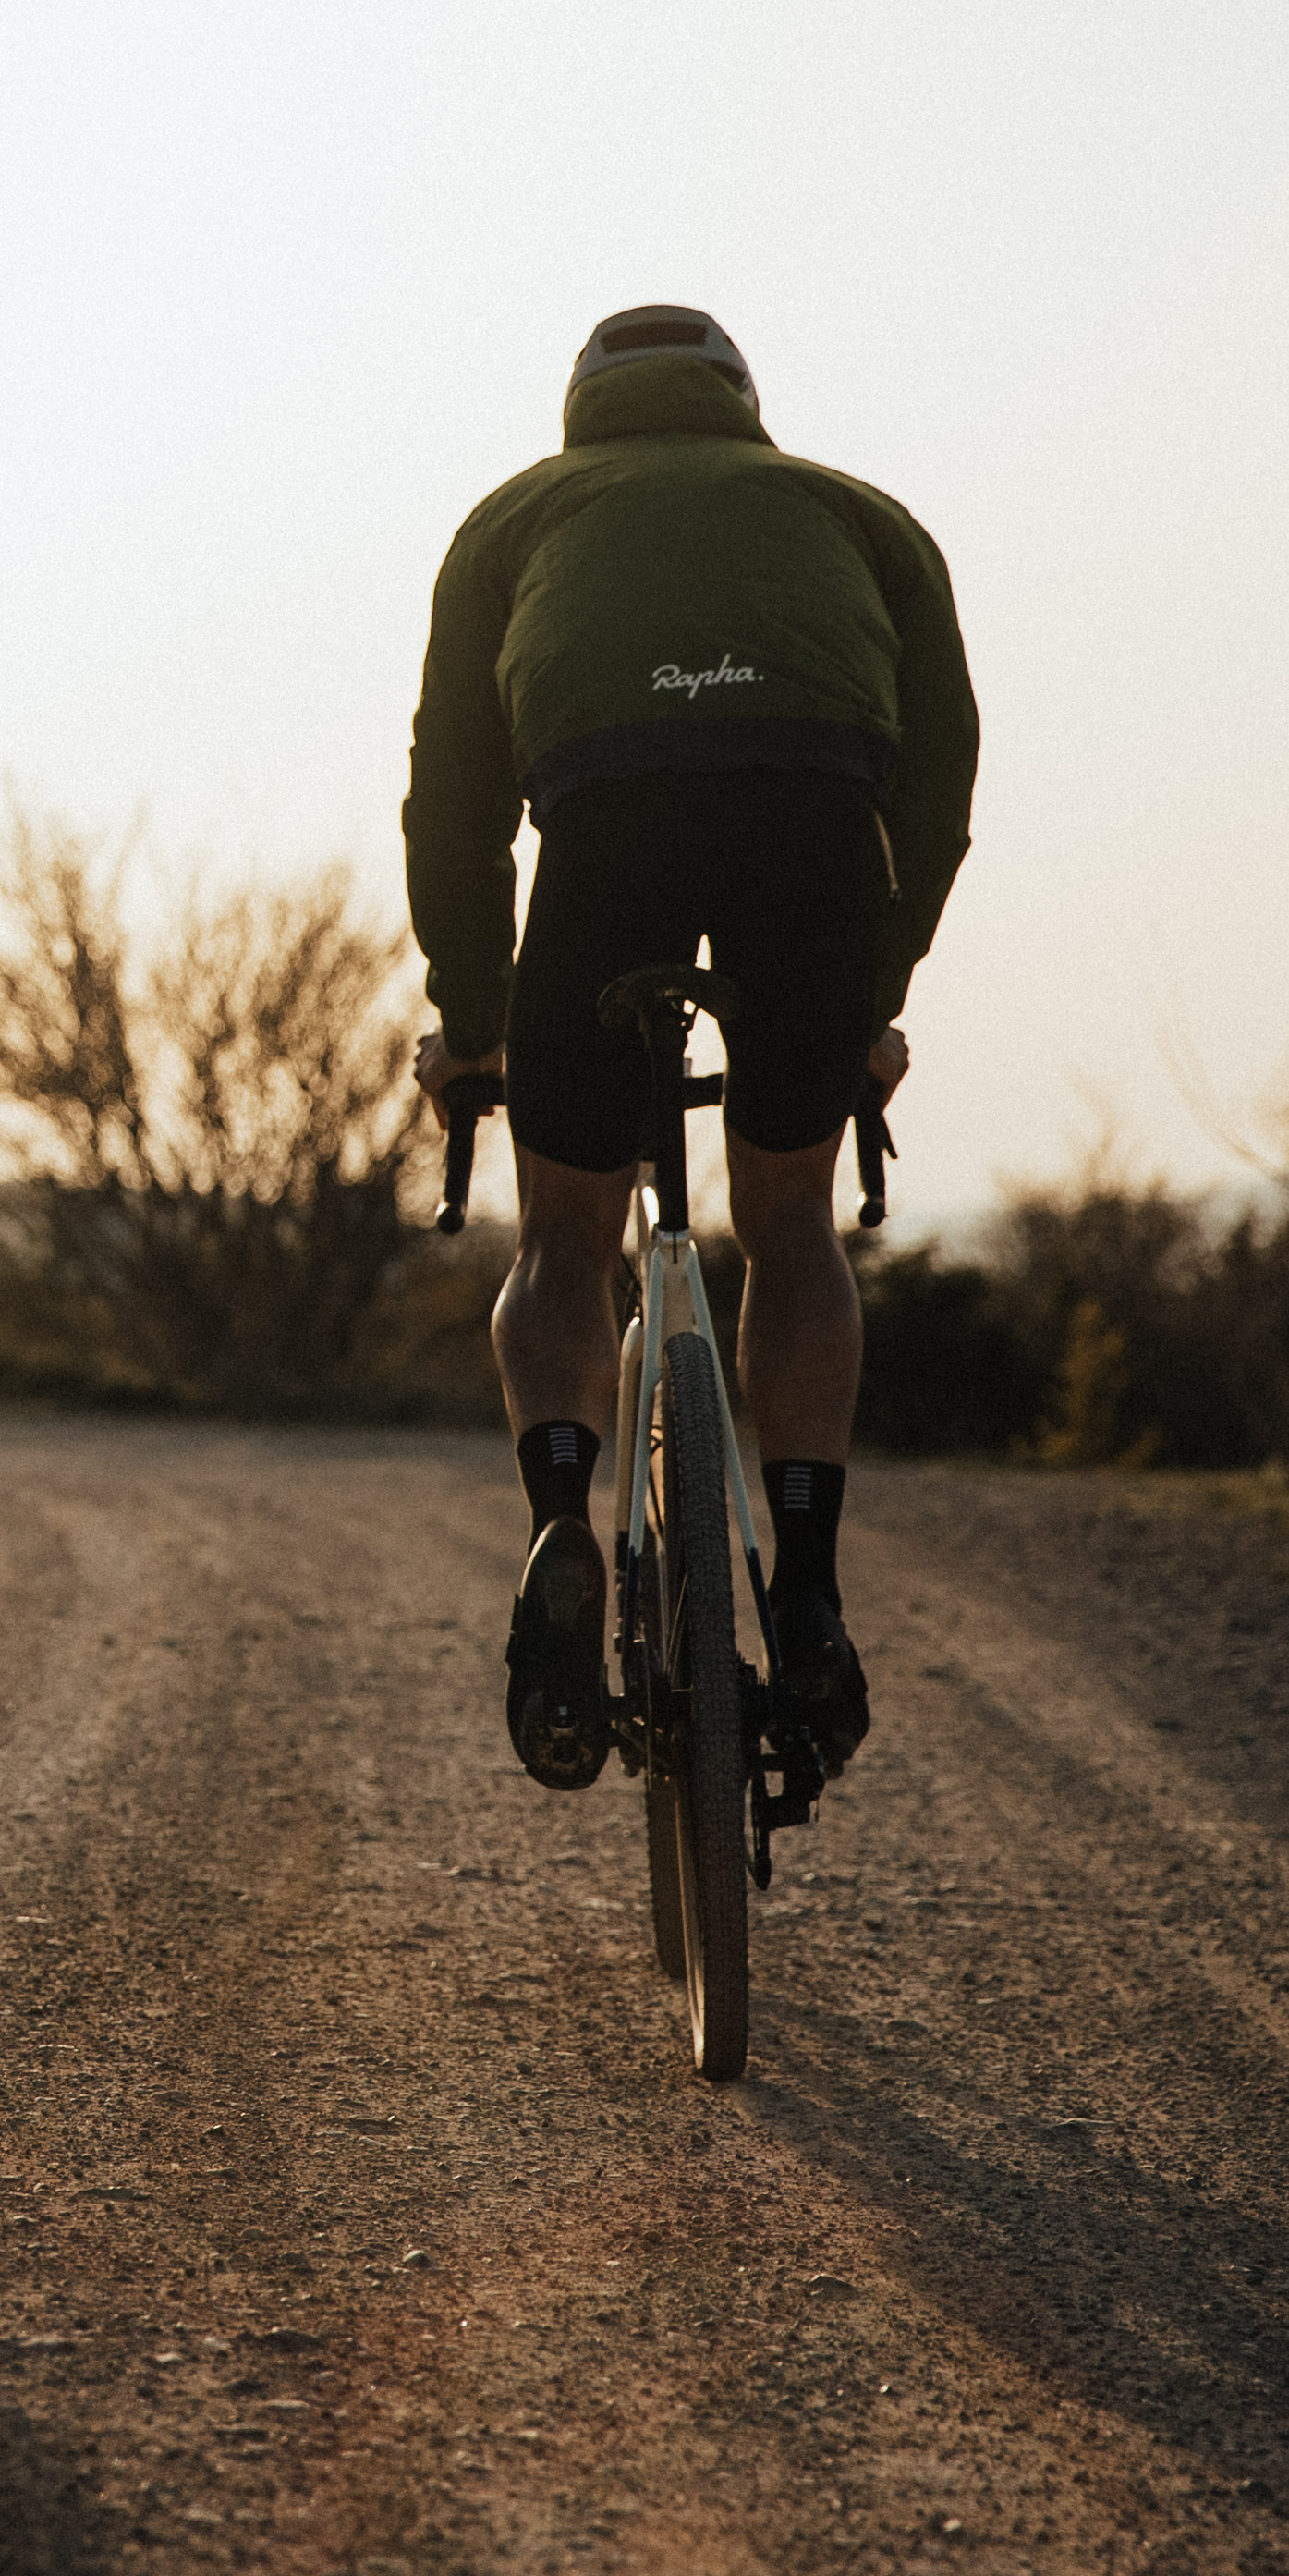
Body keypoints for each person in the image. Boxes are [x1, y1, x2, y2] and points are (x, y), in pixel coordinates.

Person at [401, 306, 976, 1797]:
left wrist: (471, 1023)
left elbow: (451, 800)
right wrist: (871, 999)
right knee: (789, 1227)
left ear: (587, 410)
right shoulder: (859, 514)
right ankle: (809, 1580)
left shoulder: (515, 518)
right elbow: (943, 774)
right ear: (744, 405)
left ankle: (561, 1525)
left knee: (566, 1244)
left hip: (606, 825)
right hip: (815, 826)